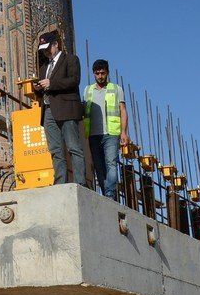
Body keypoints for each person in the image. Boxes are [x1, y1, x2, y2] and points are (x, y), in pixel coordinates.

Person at [31, 28, 86, 187]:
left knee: (74, 147)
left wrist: (51, 83)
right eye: (44, 50)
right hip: (48, 110)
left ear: (55, 44)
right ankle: (60, 182)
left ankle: (80, 183)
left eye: (48, 48)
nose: (46, 52)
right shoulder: (44, 68)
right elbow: (45, 88)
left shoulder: (71, 60)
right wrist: (38, 88)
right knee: (55, 150)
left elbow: (74, 81)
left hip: (67, 109)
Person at [82, 59, 129, 200]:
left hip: (111, 133)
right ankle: (106, 194)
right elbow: (84, 110)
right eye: (97, 73)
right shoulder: (88, 90)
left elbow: (123, 111)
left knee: (111, 163)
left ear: (107, 73)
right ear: (94, 74)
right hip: (93, 134)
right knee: (98, 166)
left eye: (102, 73)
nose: (100, 76)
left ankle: (109, 192)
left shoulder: (116, 89)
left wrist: (124, 132)